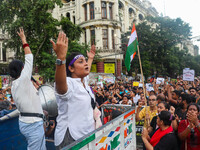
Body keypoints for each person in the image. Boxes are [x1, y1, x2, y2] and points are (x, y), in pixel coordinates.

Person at [51, 32, 100, 149]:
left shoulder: (83, 82)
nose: (85, 64)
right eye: (80, 62)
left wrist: (90, 58)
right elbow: (61, 88)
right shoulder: (69, 83)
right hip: (70, 137)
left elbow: (86, 70)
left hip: (86, 135)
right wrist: (61, 58)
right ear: (71, 68)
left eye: (85, 61)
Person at [8, 28, 46, 150]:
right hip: (32, 124)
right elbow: (29, 57)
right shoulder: (22, 80)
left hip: (29, 121)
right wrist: (23, 40)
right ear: (22, 69)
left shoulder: (16, 84)